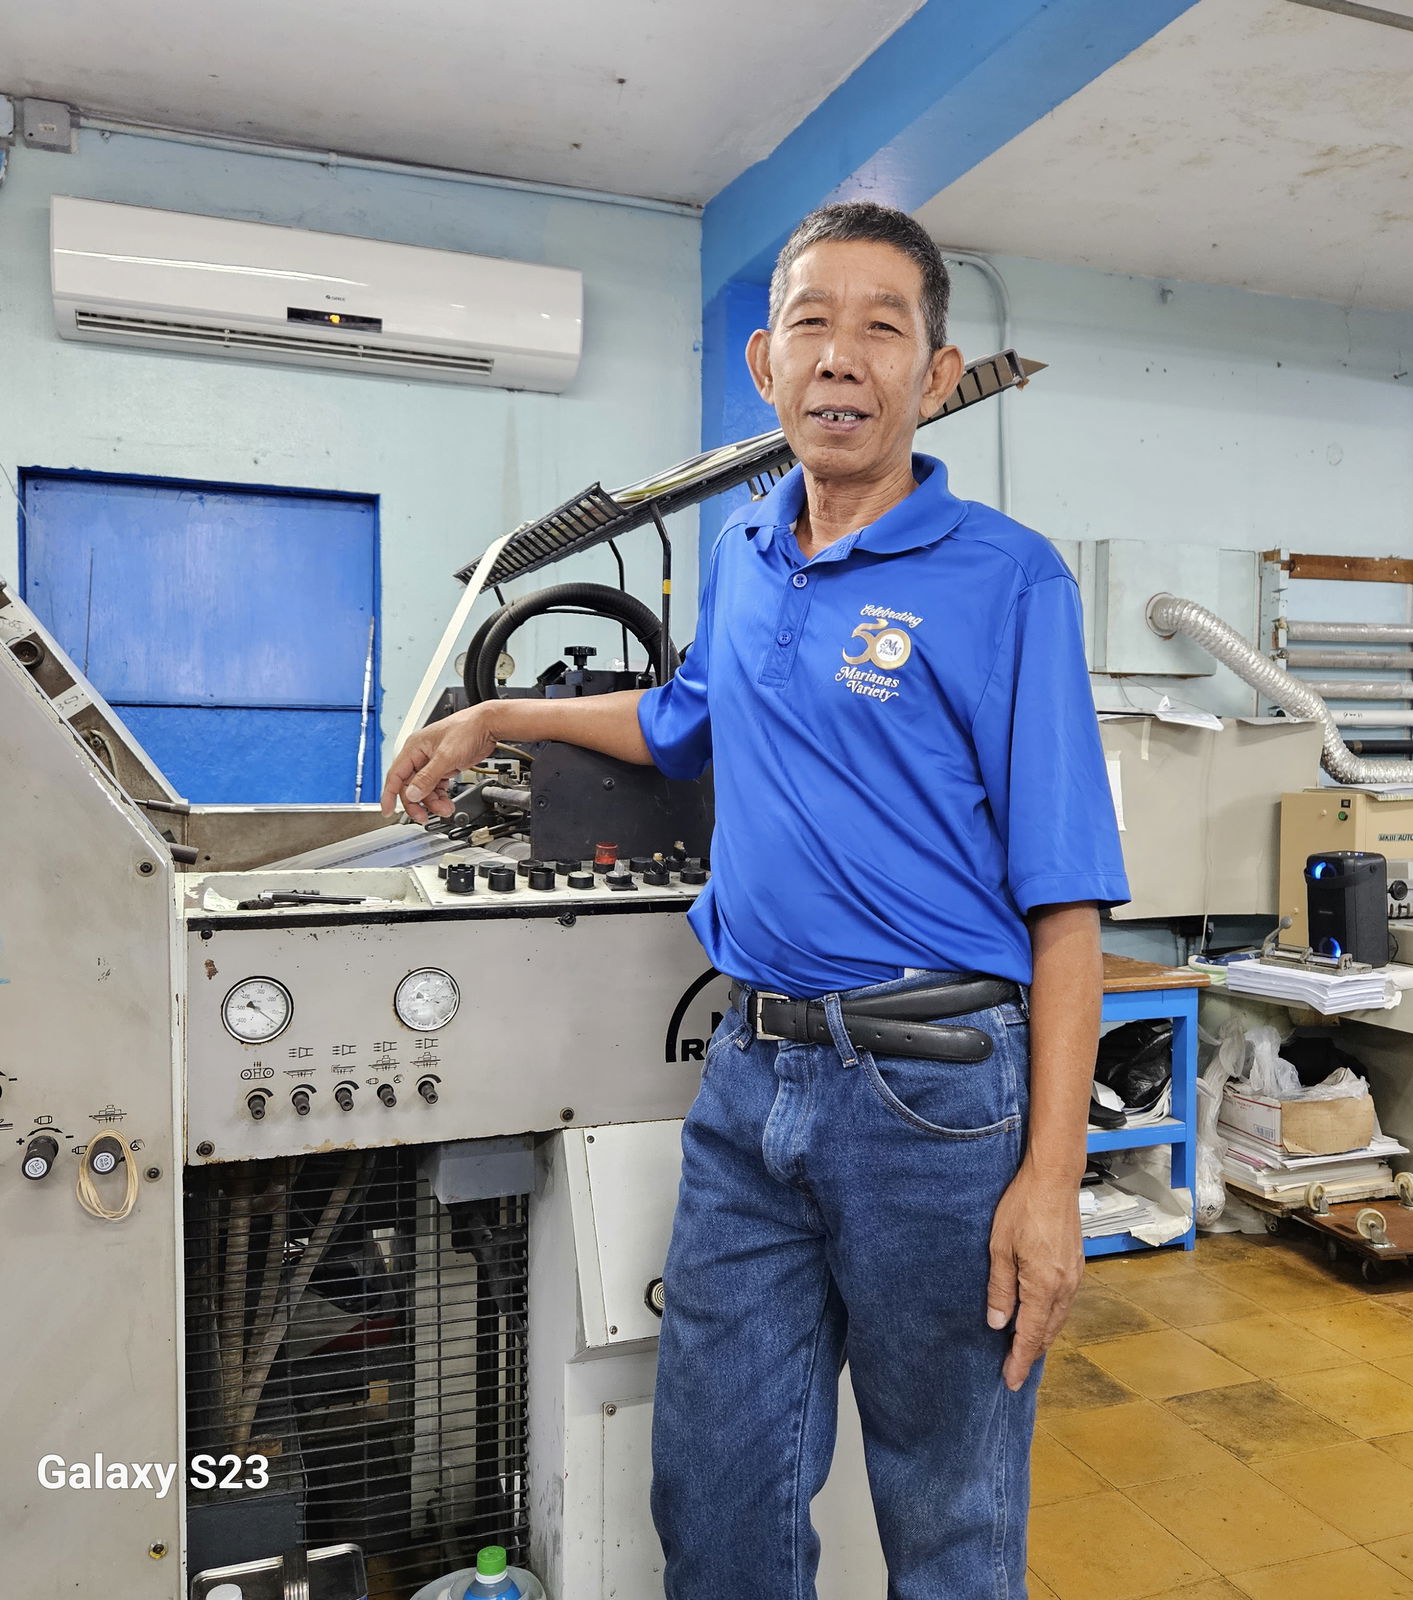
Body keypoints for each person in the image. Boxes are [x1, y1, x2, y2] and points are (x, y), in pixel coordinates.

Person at [383, 201, 1129, 1599]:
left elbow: (1070, 909)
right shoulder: (743, 552)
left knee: (949, 1516)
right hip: (752, 1074)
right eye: (811, 323)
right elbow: (681, 718)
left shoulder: (1007, 580)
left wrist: (1050, 1182)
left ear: (936, 374)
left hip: (934, 1096)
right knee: (715, 1489)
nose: (841, 356)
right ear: (764, 362)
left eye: (882, 329)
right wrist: (496, 716)